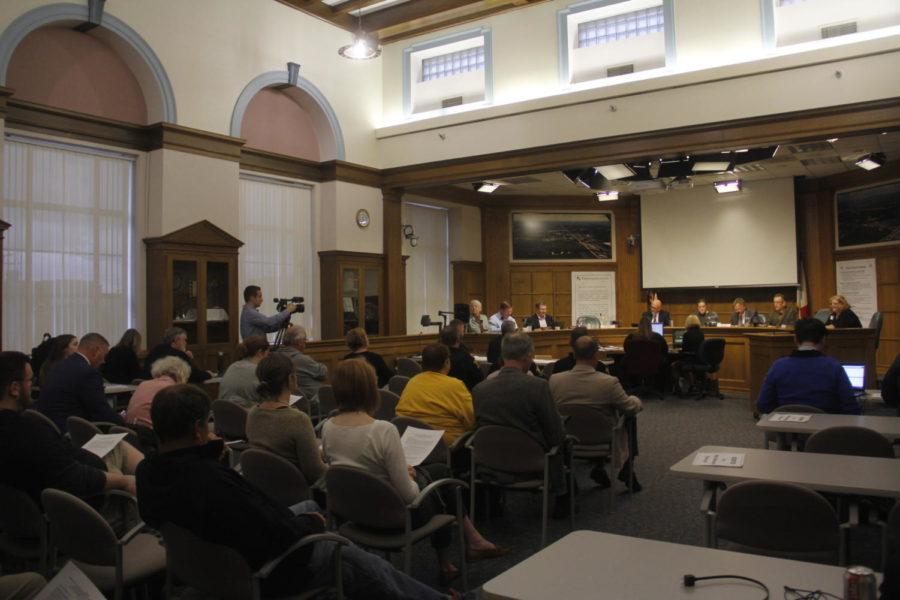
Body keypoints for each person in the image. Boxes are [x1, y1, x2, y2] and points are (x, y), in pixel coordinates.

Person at [136, 383, 455, 600]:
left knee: (304, 505)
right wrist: (310, 527)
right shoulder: (209, 481)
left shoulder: (149, 471)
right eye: (207, 424)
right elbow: (272, 534)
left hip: (205, 560)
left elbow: (246, 514)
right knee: (346, 552)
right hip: (267, 568)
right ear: (196, 429)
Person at [321, 359, 506, 582]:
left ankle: (462, 549)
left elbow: (353, 468)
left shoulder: (327, 427)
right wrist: (413, 477)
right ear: (371, 389)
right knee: (443, 484)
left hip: (354, 512)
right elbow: (410, 496)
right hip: (393, 516)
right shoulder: (383, 430)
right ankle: (458, 552)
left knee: (437, 472)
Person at [1, 351, 138, 503]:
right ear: (14, 388)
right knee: (134, 481)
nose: (33, 385)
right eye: (29, 380)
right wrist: (124, 481)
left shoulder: (24, 428)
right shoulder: (26, 433)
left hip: (66, 480)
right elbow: (73, 478)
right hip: (83, 505)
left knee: (118, 447)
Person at [472, 333, 571, 518]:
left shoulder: (479, 390)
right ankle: (563, 499)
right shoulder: (538, 386)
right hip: (532, 463)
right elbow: (555, 433)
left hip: (490, 463)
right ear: (527, 357)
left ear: (503, 356)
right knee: (563, 443)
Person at [549, 336, 642, 490]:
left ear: (574, 353)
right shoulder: (608, 382)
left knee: (587, 419)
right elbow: (630, 407)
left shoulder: (554, 381)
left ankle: (599, 468)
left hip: (569, 437)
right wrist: (636, 399)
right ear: (596, 355)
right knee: (629, 418)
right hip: (603, 438)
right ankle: (627, 469)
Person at [247, 353, 326, 486]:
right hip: (298, 493)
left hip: (265, 490)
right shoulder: (298, 419)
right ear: (291, 379)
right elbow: (315, 473)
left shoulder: (253, 413)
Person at [756, 318, 861, 415]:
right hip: (825, 432)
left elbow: (763, 405)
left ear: (795, 339)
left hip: (786, 432)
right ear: (824, 339)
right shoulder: (834, 367)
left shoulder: (778, 366)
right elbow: (851, 408)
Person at [34, 333, 123, 432]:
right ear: (96, 351)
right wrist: (126, 423)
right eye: (104, 356)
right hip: (72, 434)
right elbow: (101, 412)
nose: (103, 361)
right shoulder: (88, 373)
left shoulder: (58, 366)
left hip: (49, 429)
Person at [396, 344, 475, 447]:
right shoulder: (455, 385)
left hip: (411, 441)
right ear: (447, 362)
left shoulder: (412, 382)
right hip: (445, 446)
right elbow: (471, 421)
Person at [125, 356, 190, 428]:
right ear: (181, 375)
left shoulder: (143, 384)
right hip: (151, 434)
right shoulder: (172, 390)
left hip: (130, 430)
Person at [275, 325, 328, 406]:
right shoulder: (302, 360)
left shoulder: (276, 356)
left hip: (289, 403)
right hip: (311, 404)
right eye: (305, 340)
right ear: (299, 342)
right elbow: (323, 373)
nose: (306, 342)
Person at [143, 327, 213, 384]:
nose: (186, 343)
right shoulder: (179, 354)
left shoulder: (155, 350)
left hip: (149, 384)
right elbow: (194, 375)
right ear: (176, 340)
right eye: (184, 340)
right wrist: (208, 374)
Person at [219, 335, 270, 407]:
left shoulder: (232, 366)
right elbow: (269, 401)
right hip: (247, 415)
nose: (267, 357)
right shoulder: (258, 371)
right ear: (260, 352)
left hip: (223, 414)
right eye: (267, 354)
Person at [439, 326, 483, 390]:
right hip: (462, 392)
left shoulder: (437, 355)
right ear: (458, 339)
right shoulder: (465, 357)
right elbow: (479, 377)